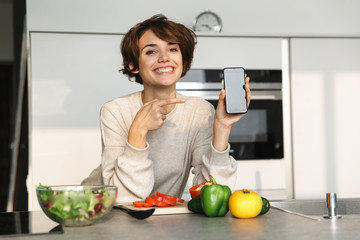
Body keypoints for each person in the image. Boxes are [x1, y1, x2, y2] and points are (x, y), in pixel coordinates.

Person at [82, 14, 251, 203]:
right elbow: (123, 199)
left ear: (183, 59)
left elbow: (211, 196)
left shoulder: (199, 111)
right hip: (93, 211)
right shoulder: (115, 110)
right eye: (151, 52)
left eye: (172, 49)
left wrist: (222, 127)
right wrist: (138, 131)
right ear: (133, 65)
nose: (164, 58)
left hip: (158, 221)